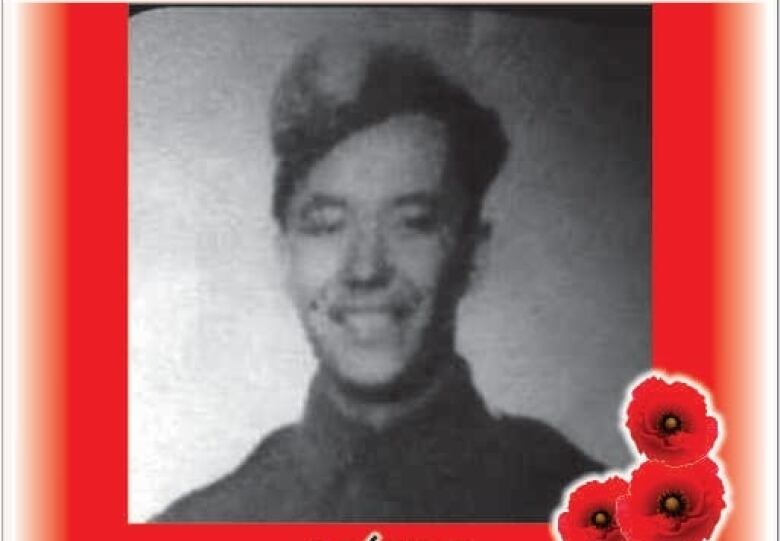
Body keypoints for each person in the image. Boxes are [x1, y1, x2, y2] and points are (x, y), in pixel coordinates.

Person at [154, 39, 602, 523]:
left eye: (413, 221)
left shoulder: (591, 511)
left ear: (474, 252)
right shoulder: (203, 523)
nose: (365, 268)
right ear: (285, 256)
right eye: (326, 225)